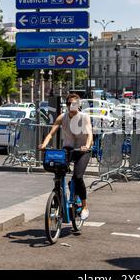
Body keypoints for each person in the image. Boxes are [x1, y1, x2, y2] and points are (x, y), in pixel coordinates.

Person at [39, 93, 93, 221]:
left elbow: (90, 134)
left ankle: (84, 206)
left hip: (82, 150)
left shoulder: (84, 117)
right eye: (68, 104)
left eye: (73, 104)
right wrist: (44, 145)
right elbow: (51, 133)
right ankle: (58, 195)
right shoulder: (62, 117)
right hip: (68, 149)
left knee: (78, 176)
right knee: (58, 171)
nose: (70, 106)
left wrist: (86, 145)